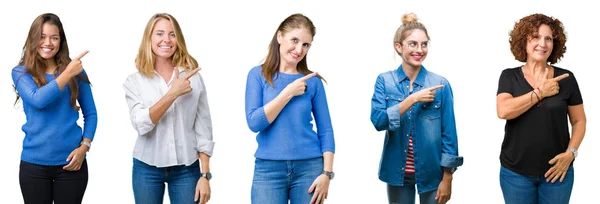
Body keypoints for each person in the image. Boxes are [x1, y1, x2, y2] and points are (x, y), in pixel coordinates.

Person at [370, 13, 463, 204]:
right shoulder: (385, 81)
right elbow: (379, 121)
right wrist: (412, 99)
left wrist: (448, 177)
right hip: (397, 171)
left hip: (432, 172)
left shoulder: (440, 84)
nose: (419, 50)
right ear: (399, 47)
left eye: (424, 44)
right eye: (412, 44)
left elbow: (449, 133)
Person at [123, 13, 214, 204]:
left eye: (172, 34)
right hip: (146, 168)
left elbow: (203, 128)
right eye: (160, 34)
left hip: (187, 169)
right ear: (149, 38)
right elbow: (142, 125)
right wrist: (173, 93)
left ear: (178, 39)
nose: (166, 40)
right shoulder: (135, 81)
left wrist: (205, 175)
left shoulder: (193, 77)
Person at [244, 13, 335, 204]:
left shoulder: (313, 81)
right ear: (279, 37)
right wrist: (288, 93)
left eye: (306, 44)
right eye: (294, 40)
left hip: (309, 168)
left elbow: (325, 130)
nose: (299, 49)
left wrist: (327, 173)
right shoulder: (257, 75)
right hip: (268, 170)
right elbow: (254, 122)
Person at [496, 13, 586, 204]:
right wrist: (540, 92)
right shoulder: (509, 76)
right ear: (524, 41)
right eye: (535, 37)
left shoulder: (566, 78)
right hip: (515, 174)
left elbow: (579, 121)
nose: (542, 44)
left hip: (558, 172)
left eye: (548, 38)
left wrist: (571, 154)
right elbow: (503, 111)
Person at [11, 13, 97, 204]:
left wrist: (85, 147)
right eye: (42, 36)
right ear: (33, 39)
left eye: (54, 37)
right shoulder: (21, 72)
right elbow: (38, 100)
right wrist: (67, 73)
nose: (48, 42)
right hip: (34, 166)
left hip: (71, 165)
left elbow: (90, 113)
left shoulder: (76, 72)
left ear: (61, 41)